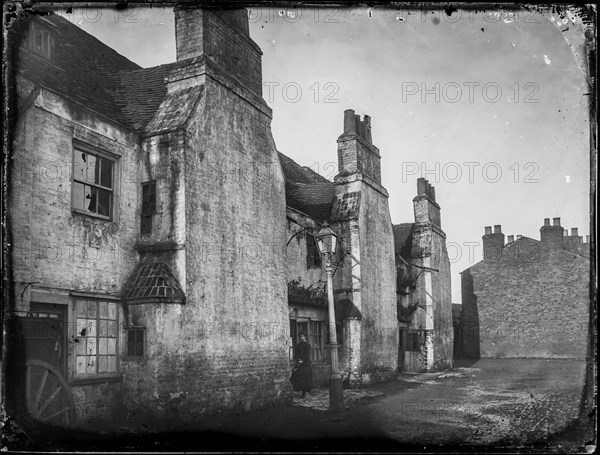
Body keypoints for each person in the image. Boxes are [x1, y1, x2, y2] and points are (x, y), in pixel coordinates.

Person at [291, 332, 313, 398]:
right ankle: (299, 390)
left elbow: (307, 355)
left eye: (302, 336)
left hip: (306, 363)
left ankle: (304, 392)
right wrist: (296, 361)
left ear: (305, 337)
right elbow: (296, 354)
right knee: (297, 376)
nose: (301, 337)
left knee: (305, 378)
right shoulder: (298, 345)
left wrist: (302, 360)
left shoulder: (307, 345)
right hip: (299, 363)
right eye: (300, 336)